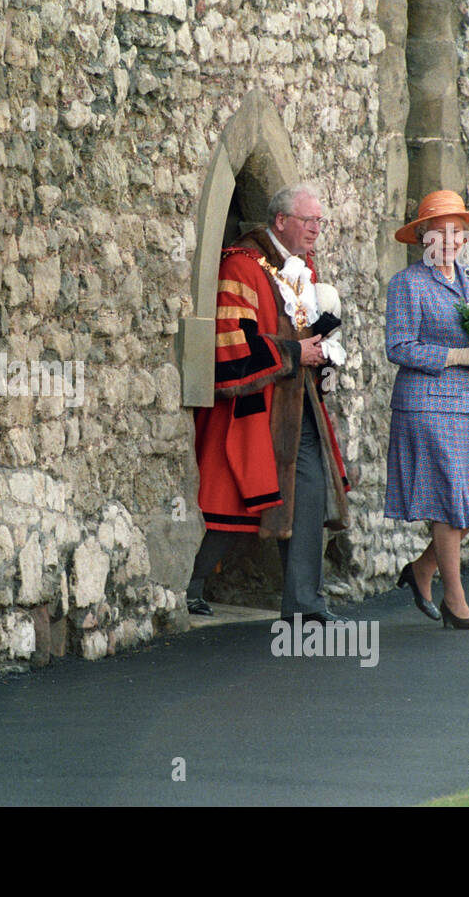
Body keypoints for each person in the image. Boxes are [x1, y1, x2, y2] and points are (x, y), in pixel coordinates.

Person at [188, 183, 351, 622]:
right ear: (281, 221)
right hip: (253, 403)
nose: (316, 229)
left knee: (310, 493)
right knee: (232, 499)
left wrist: (325, 355)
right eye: (309, 220)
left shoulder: (302, 269)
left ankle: (305, 604)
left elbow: (305, 328)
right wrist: (298, 353)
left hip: (300, 402)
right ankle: (189, 584)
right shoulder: (240, 267)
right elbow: (233, 343)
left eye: (320, 221)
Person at [384, 190, 469, 630]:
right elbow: (397, 346)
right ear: (422, 236)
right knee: (451, 503)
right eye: (441, 231)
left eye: (459, 231)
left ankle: (423, 568)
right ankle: (456, 600)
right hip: (427, 405)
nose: (451, 239)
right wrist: (458, 356)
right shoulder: (407, 283)